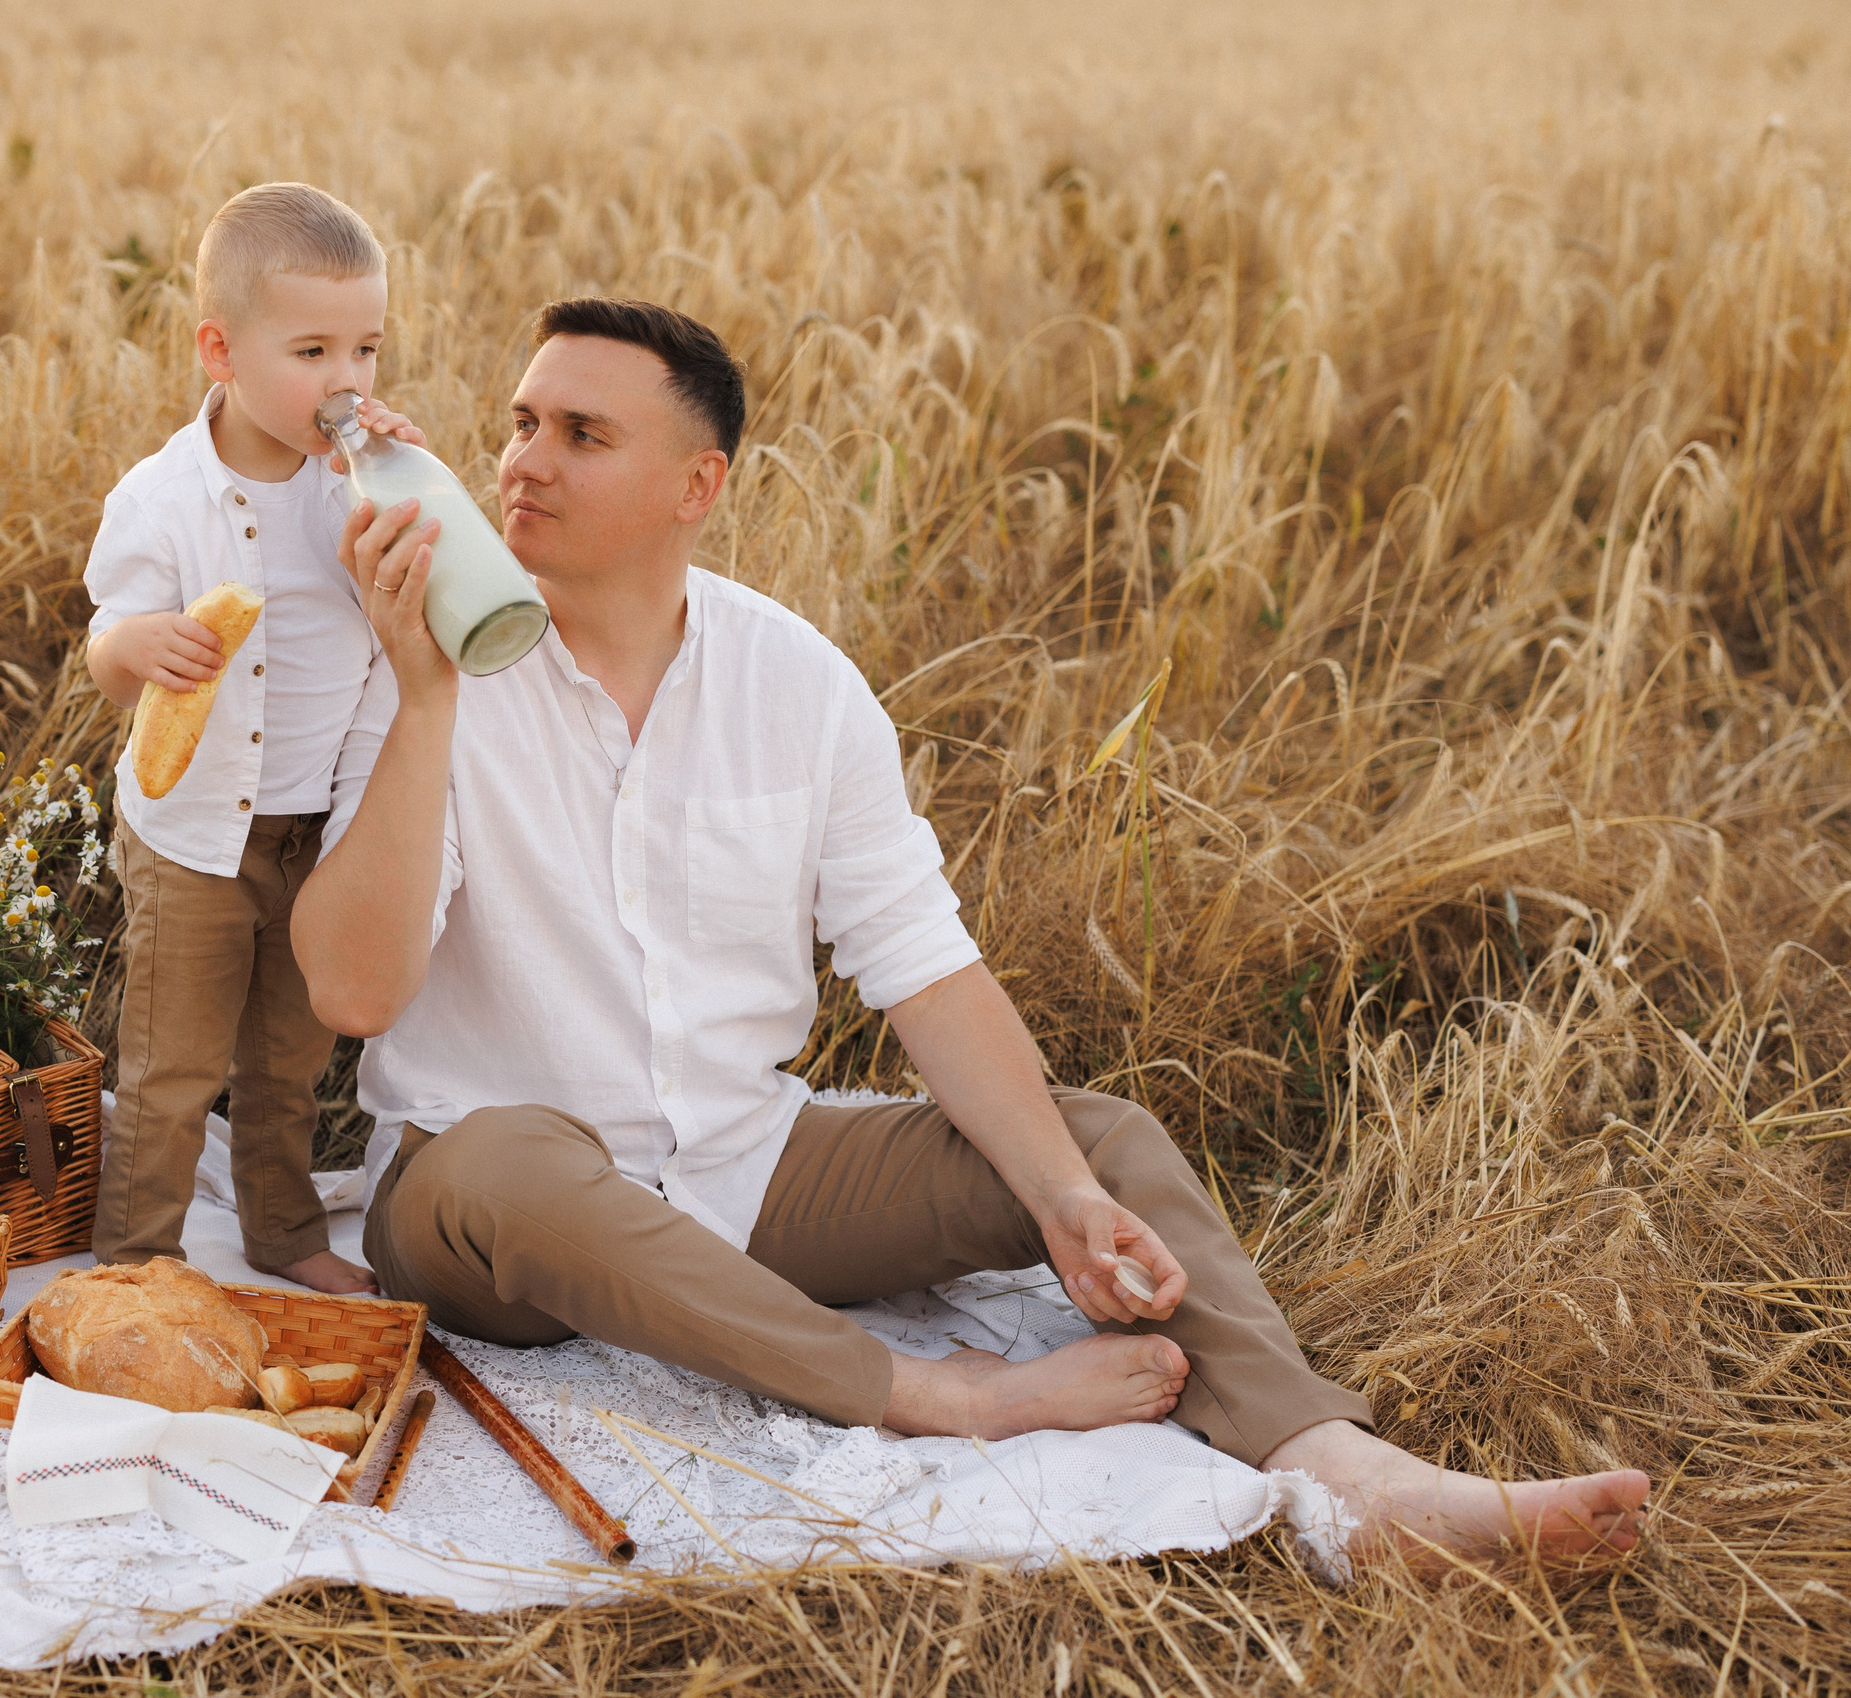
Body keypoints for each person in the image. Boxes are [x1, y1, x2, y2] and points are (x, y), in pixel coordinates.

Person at [290, 296, 1653, 1564]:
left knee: (1097, 1144)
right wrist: (421, 701)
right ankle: (939, 1397)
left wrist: (1060, 1202)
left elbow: (927, 970)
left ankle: (1349, 1475)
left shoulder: (799, 686)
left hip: (743, 1170)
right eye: (523, 422)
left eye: (582, 433)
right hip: (486, 1217)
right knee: (516, 1156)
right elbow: (356, 991)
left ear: (696, 488)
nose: (524, 459)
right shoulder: (424, 665)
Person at [84, 181, 412, 1295]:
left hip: (318, 828)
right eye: (313, 350)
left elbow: (417, 609)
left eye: (365, 349)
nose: (347, 382)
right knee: (172, 1066)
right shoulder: (164, 497)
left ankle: (281, 1233)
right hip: (189, 837)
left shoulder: (358, 489)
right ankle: (138, 1264)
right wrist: (142, 648)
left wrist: (411, 491)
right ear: (219, 349)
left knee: (287, 1060)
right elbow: (102, 645)